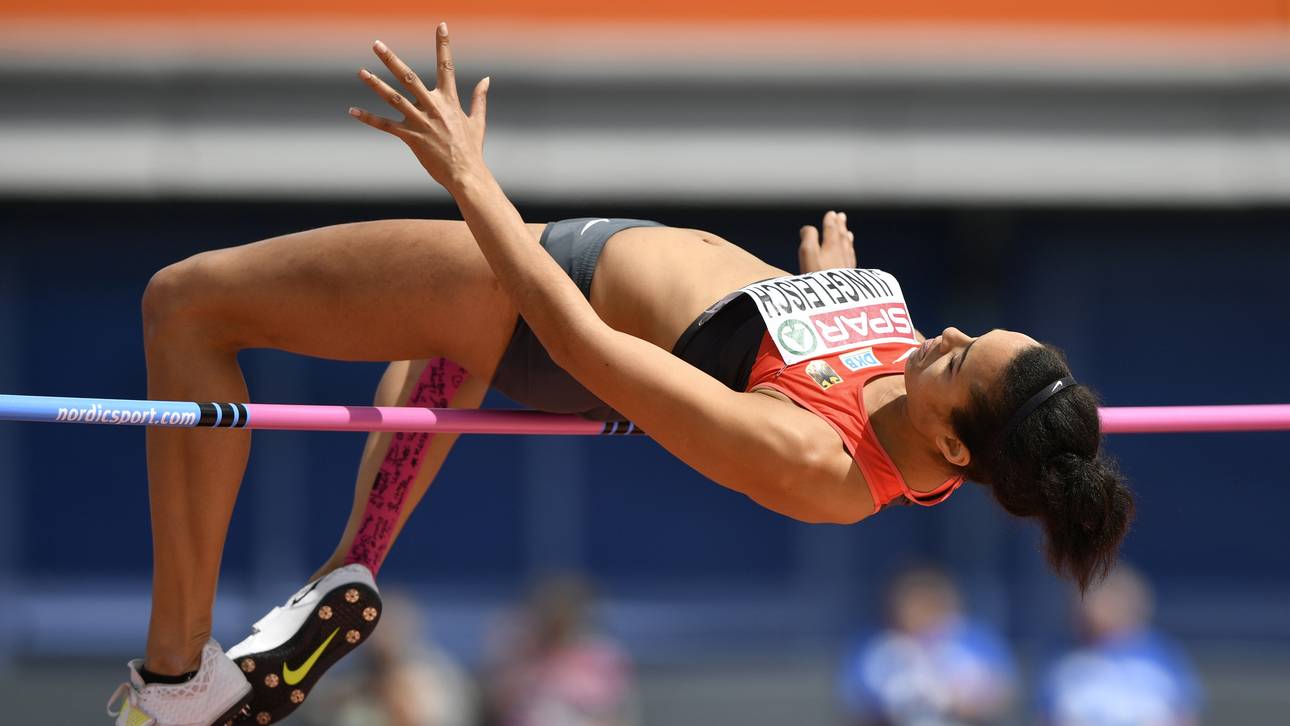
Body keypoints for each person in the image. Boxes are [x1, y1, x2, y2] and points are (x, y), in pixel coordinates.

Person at [105, 24, 1135, 726]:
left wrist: (474, 187)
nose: (943, 332)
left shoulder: (820, 465)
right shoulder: (908, 382)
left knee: (184, 305)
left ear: (953, 446)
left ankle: (175, 676)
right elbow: (783, 343)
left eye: (957, 357)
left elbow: (588, 351)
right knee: (427, 362)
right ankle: (345, 569)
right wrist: (829, 292)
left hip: (534, 290)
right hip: (549, 276)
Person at [838, 566, 1016, 725]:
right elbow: (857, 704)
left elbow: (1002, 693)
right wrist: (903, 704)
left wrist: (956, 701)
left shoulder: (974, 639)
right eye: (909, 604)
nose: (915, 613)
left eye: (924, 604)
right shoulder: (875, 646)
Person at [1039, 565, 1203, 726]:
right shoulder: (1064, 657)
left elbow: (1186, 712)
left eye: (1103, 598)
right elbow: (1046, 714)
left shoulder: (1162, 653)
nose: (1091, 607)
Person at [484, 575, 636, 726]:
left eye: (565, 611)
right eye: (550, 611)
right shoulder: (520, 653)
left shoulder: (602, 658)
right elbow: (498, 707)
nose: (558, 619)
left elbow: (616, 715)